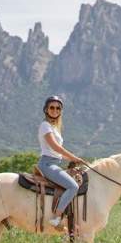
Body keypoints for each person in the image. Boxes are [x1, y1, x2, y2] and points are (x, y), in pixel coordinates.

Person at [37, 95, 87, 228]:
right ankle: (57, 217)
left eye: (58, 108)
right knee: (73, 186)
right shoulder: (45, 125)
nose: (55, 110)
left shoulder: (54, 128)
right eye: (51, 107)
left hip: (55, 163)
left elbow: (57, 152)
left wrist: (73, 161)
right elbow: (55, 147)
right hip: (47, 164)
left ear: (60, 111)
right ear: (46, 109)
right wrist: (73, 157)